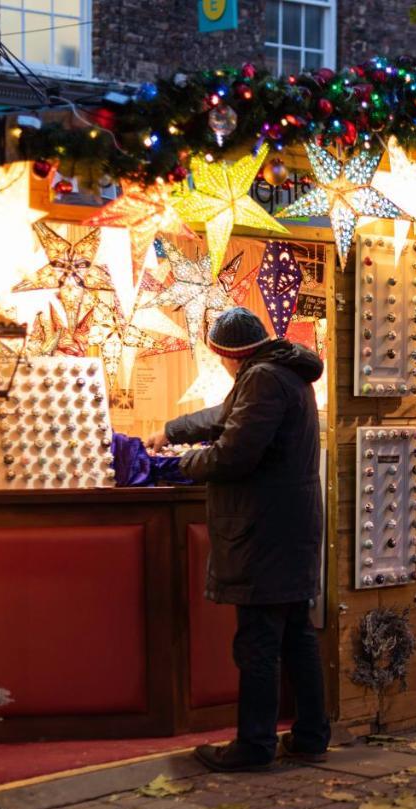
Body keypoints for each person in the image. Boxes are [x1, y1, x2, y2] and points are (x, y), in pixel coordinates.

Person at [145, 307, 330, 772]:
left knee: (259, 642)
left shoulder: (263, 378)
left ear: (228, 355)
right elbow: (226, 415)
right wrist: (171, 431)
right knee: (295, 635)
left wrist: (177, 464)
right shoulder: (283, 372)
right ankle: (310, 735)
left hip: (265, 530)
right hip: (290, 527)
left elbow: (234, 455)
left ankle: (254, 745)